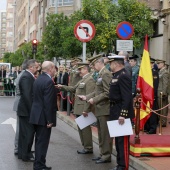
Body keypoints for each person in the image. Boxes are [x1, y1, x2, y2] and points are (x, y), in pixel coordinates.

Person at [80, 55, 112, 164]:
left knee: (105, 133)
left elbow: (107, 93)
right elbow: (98, 91)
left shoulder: (106, 74)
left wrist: (94, 100)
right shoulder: (101, 74)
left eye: (94, 65)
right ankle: (102, 154)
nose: (93, 67)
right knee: (101, 133)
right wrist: (88, 97)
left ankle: (106, 155)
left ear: (99, 63)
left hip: (104, 108)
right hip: (100, 108)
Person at [57, 62, 95, 154]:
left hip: (83, 108)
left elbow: (88, 96)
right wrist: (62, 87)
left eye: (80, 69)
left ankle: (88, 147)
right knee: (81, 128)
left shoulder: (89, 80)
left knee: (85, 129)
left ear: (86, 69)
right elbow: (73, 88)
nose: (79, 71)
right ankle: (85, 146)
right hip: (78, 107)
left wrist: (86, 110)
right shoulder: (83, 79)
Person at [108, 55, 134, 170]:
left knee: (122, 142)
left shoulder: (123, 76)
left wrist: (123, 114)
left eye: (111, 63)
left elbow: (127, 97)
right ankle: (119, 164)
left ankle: (123, 166)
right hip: (114, 110)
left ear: (116, 64)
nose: (110, 65)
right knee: (117, 141)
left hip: (121, 112)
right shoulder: (116, 75)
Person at [29, 61, 56, 170]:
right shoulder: (49, 81)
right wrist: (49, 120)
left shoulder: (38, 79)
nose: (55, 71)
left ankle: (38, 164)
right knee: (42, 142)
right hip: (43, 117)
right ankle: (39, 165)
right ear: (51, 68)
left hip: (36, 114)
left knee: (38, 141)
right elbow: (48, 103)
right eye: (54, 68)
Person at [17, 59, 39, 162]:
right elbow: (27, 96)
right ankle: (26, 155)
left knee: (24, 133)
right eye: (36, 67)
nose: (37, 69)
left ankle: (22, 153)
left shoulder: (28, 75)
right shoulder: (26, 76)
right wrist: (32, 111)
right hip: (26, 110)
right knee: (28, 133)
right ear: (31, 67)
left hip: (24, 110)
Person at [13, 60, 28, 155]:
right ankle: (18, 148)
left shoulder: (21, 74)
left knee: (21, 127)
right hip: (21, 104)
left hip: (19, 103)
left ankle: (19, 147)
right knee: (20, 128)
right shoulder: (24, 76)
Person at [144, 58, 159, 134]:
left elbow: (155, 86)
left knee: (152, 112)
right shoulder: (147, 72)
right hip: (146, 95)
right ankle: (147, 126)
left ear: (152, 63)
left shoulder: (154, 72)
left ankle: (153, 128)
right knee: (147, 111)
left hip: (152, 95)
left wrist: (153, 95)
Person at [156, 59, 169, 127]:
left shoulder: (165, 72)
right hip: (159, 92)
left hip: (162, 92)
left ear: (162, 64)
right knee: (160, 107)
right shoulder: (160, 71)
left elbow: (165, 84)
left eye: (159, 63)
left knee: (163, 108)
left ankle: (163, 122)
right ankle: (160, 121)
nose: (157, 65)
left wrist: (164, 93)